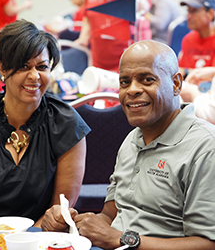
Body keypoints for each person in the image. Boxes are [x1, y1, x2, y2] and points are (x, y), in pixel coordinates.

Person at [41, 40, 215, 250]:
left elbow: (207, 243)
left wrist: (121, 239)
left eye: (147, 80)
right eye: (124, 82)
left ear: (176, 84)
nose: (132, 90)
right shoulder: (132, 139)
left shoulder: (205, 147)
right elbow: (110, 216)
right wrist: (75, 224)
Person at [0, 19, 90, 227]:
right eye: (23, 66)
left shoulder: (66, 124)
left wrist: (24, 241)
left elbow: (58, 213)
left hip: (37, 239)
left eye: (42, 67)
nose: (34, 76)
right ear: (2, 67)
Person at [74, 0, 151, 73]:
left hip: (128, 57)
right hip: (99, 58)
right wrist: (82, 39)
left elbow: (144, 7)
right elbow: (88, 15)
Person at [178, 0, 215, 77]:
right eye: (188, 11)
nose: (188, 16)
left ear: (210, 14)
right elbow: (182, 71)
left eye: (194, 11)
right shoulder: (188, 39)